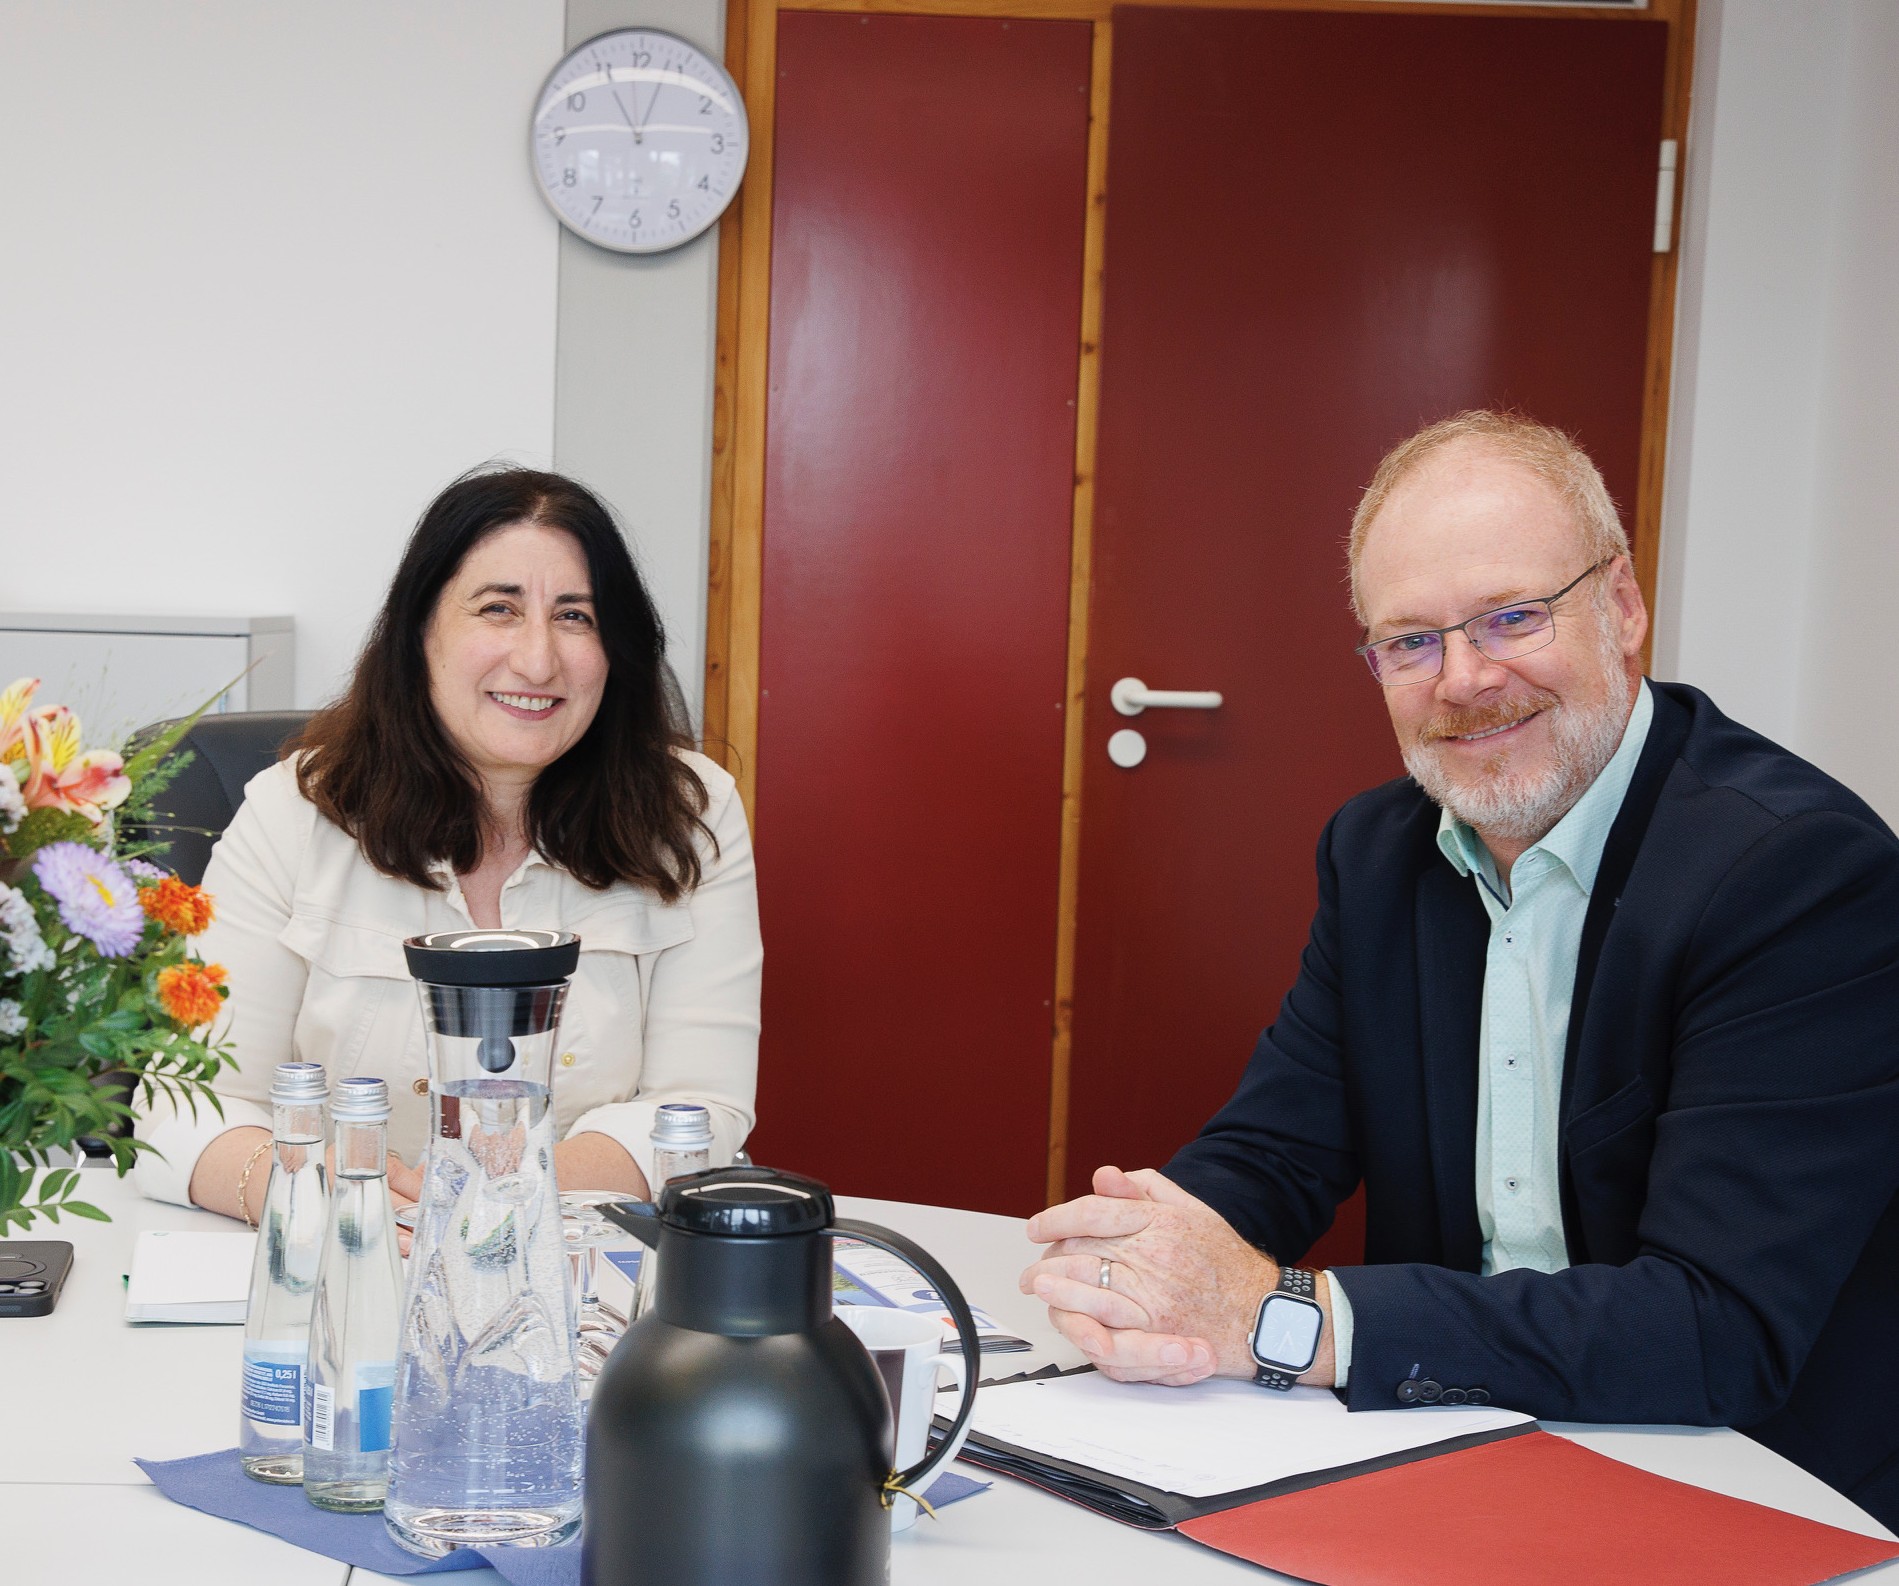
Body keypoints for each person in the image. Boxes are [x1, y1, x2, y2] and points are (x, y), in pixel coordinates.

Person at [1020, 411, 1899, 1527]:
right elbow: (1278, 1145)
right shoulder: (1378, 850)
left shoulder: (1800, 875)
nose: (1466, 678)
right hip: (1470, 1437)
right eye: (1411, 641)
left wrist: (1287, 1317)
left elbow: (1713, 1326)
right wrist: (1152, 1253)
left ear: (1621, 605)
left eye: (1512, 617)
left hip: (1749, 1479)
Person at [134, 468, 761, 1224]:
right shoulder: (292, 812)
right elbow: (183, 1108)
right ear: (419, 631)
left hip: (583, 1260)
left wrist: (497, 1207)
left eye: (575, 617)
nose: (537, 660)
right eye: (498, 609)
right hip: (346, 1258)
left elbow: (703, 1102)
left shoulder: (690, 812)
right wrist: (321, 1198)